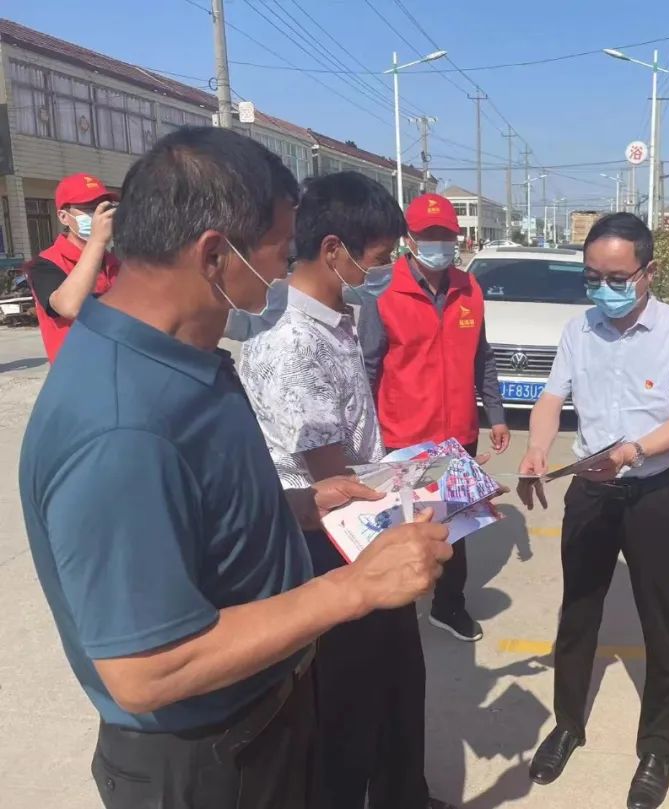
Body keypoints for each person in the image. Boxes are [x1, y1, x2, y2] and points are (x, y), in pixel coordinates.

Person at [19, 127, 451, 809]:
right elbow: (147, 670)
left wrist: (297, 506)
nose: (285, 269)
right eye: (280, 247)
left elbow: (194, 517)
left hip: (264, 718)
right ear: (215, 254)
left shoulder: (184, 357)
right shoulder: (121, 426)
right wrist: (356, 588)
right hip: (210, 762)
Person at [239, 171, 454, 809]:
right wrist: (426, 489)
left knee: (398, 684)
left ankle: (403, 795)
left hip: (363, 523)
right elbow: (332, 477)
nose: (386, 270)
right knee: (348, 705)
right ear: (334, 250)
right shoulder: (292, 343)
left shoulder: (337, 322)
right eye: (380, 257)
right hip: (330, 539)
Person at [516, 213, 669, 809]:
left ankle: (657, 747)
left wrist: (631, 452)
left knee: (662, 623)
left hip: (654, 493)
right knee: (578, 613)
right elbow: (552, 396)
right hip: (591, 491)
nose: (603, 289)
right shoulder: (579, 331)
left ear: (649, 272)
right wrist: (536, 449)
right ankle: (567, 725)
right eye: (592, 277)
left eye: (617, 278)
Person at [359, 192, 510, 643]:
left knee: (455, 527)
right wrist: (364, 437)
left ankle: (448, 605)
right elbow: (368, 365)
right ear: (409, 239)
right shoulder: (383, 289)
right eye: (428, 235)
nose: (438, 244)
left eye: (445, 235)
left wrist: (496, 414)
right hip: (402, 436)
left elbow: (482, 356)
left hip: (458, 435)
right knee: (400, 526)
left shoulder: (469, 289)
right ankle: (394, 609)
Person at [25, 173, 120, 363]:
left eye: (104, 207)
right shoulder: (45, 264)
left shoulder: (114, 262)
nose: (99, 215)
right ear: (63, 216)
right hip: (77, 375)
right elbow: (70, 307)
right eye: (89, 208)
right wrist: (97, 240)